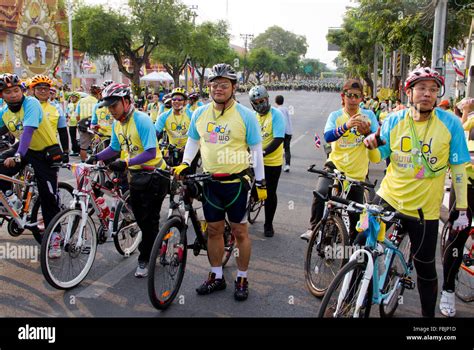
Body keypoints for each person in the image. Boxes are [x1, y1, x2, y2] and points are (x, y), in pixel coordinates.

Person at [364, 67, 470, 317]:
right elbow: (380, 156)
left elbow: (458, 170)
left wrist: (462, 209)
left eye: (433, 90)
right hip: (388, 196)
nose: (427, 94)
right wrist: (369, 146)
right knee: (361, 245)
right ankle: (353, 293)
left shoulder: (451, 123)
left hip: (424, 211)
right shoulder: (394, 120)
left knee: (425, 269)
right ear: (409, 92)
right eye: (421, 88)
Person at [173, 63, 267, 301]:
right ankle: (216, 276)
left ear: (234, 87)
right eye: (215, 85)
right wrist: (185, 162)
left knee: (240, 232)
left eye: (224, 85)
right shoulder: (199, 113)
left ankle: (242, 277)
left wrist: (261, 183)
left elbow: (256, 151)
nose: (218, 89)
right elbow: (194, 141)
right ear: (209, 87)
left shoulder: (246, 115)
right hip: (210, 183)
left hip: (236, 183)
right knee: (214, 230)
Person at [86, 82, 169, 277]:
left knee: (149, 218)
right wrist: (96, 157)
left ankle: (145, 258)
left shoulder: (141, 119)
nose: (111, 111)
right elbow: (114, 148)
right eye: (108, 107)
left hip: (155, 175)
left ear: (125, 101)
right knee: (141, 219)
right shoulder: (117, 123)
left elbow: (150, 152)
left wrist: (126, 163)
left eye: (114, 105)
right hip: (137, 176)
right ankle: (158, 243)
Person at [300, 79, 378, 242]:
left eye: (357, 96)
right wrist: (346, 126)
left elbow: (379, 139)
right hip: (335, 167)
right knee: (321, 192)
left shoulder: (369, 115)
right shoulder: (335, 116)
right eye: (350, 95)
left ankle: (353, 254)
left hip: (357, 173)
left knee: (356, 217)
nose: (353, 100)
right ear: (343, 97)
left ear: (362, 98)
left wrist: (367, 132)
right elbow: (328, 136)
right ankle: (313, 228)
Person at [0, 73, 63, 234]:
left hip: (46, 151)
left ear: (21, 90)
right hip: (24, 148)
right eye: (8, 92)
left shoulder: (32, 104)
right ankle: (11, 198)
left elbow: (28, 131)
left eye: (16, 90)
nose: (13, 95)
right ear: (2, 95)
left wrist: (18, 156)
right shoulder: (4, 112)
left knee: (48, 197)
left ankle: (55, 236)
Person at [440, 97, 474, 317]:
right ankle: (448, 289)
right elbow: (457, 136)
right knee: (458, 238)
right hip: (468, 183)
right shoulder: (469, 120)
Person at [249, 86, 285, 237]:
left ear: (267, 99)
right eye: (256, 102)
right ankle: (252, 200)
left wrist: (262, 153)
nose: (259, 104)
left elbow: (278, 138)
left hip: (272, 162)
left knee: (270, 193)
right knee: (252, 191)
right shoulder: (252, 116)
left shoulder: (276, 115)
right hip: (254, 160)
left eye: (261, 100)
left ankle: (268, 223)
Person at [28, 75, 69, 160]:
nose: (43, 91)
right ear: (33, 90)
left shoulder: (56, 107)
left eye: (46, 89)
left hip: (50, 149)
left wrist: (65, 152)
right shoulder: (26, 106)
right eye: (39, 88)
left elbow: (63, 131)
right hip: (28, 148)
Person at [155, 87, 193, 167]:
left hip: (189, 149)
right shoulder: (164, 116)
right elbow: (155, 133)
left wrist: (186, 147)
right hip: (172, 149)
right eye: (174, 99)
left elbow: (197, 134)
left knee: (189, 176)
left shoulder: (191, 115)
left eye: (180, 99)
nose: (176, 101)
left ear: (185, 102)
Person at [76, 84, 102, 162]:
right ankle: (95, 161)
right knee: (97, 145)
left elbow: (77, 115)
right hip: (95, 125)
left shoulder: (82, 100)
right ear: (98, 93)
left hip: (84, 125)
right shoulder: (98, 102)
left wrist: (79, 124)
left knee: (83, 147)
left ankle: (83, 162)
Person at [275, 95, 292, 172]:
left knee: (278, 149)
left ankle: (277, 165)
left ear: (276, 102)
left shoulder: (276, 110)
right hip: (288, 131)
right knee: (287, 149)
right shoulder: (286, 109)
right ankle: (287, 165)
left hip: (281, 132)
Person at [66, 92, 81, 156]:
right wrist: (67, 117)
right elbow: (67, 112)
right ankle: (74, 150)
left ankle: (81, 149)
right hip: (71, 123)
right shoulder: (69, 104)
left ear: (77, 98)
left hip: (79, 122)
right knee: (72, 137)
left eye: (74, 97)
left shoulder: (79, 104)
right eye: (71, 97)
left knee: (81, 136)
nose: (72, 98)